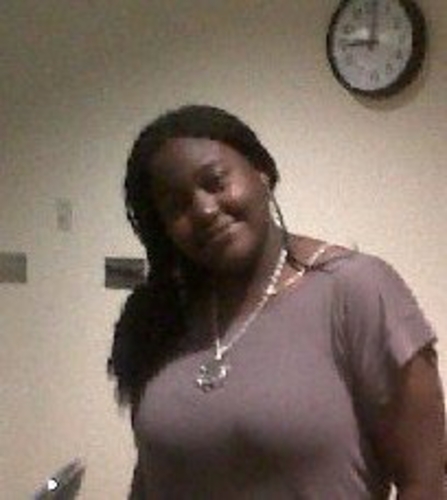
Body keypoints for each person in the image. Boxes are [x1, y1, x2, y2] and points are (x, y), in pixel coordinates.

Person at [108, 104, 445, 499]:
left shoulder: (356, 290)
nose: (204, 210)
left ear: (261, 172)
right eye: (177, 205)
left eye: (215, 182)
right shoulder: (160, 317)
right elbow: (153, 476)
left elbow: (425, 481)